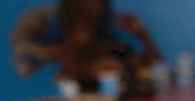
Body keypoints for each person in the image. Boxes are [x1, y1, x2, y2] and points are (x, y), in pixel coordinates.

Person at [11, 0, 161, 92]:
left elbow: (158, 76)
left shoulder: (110, 42)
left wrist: (143, 35)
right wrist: (88, 71)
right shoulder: (45, 47)